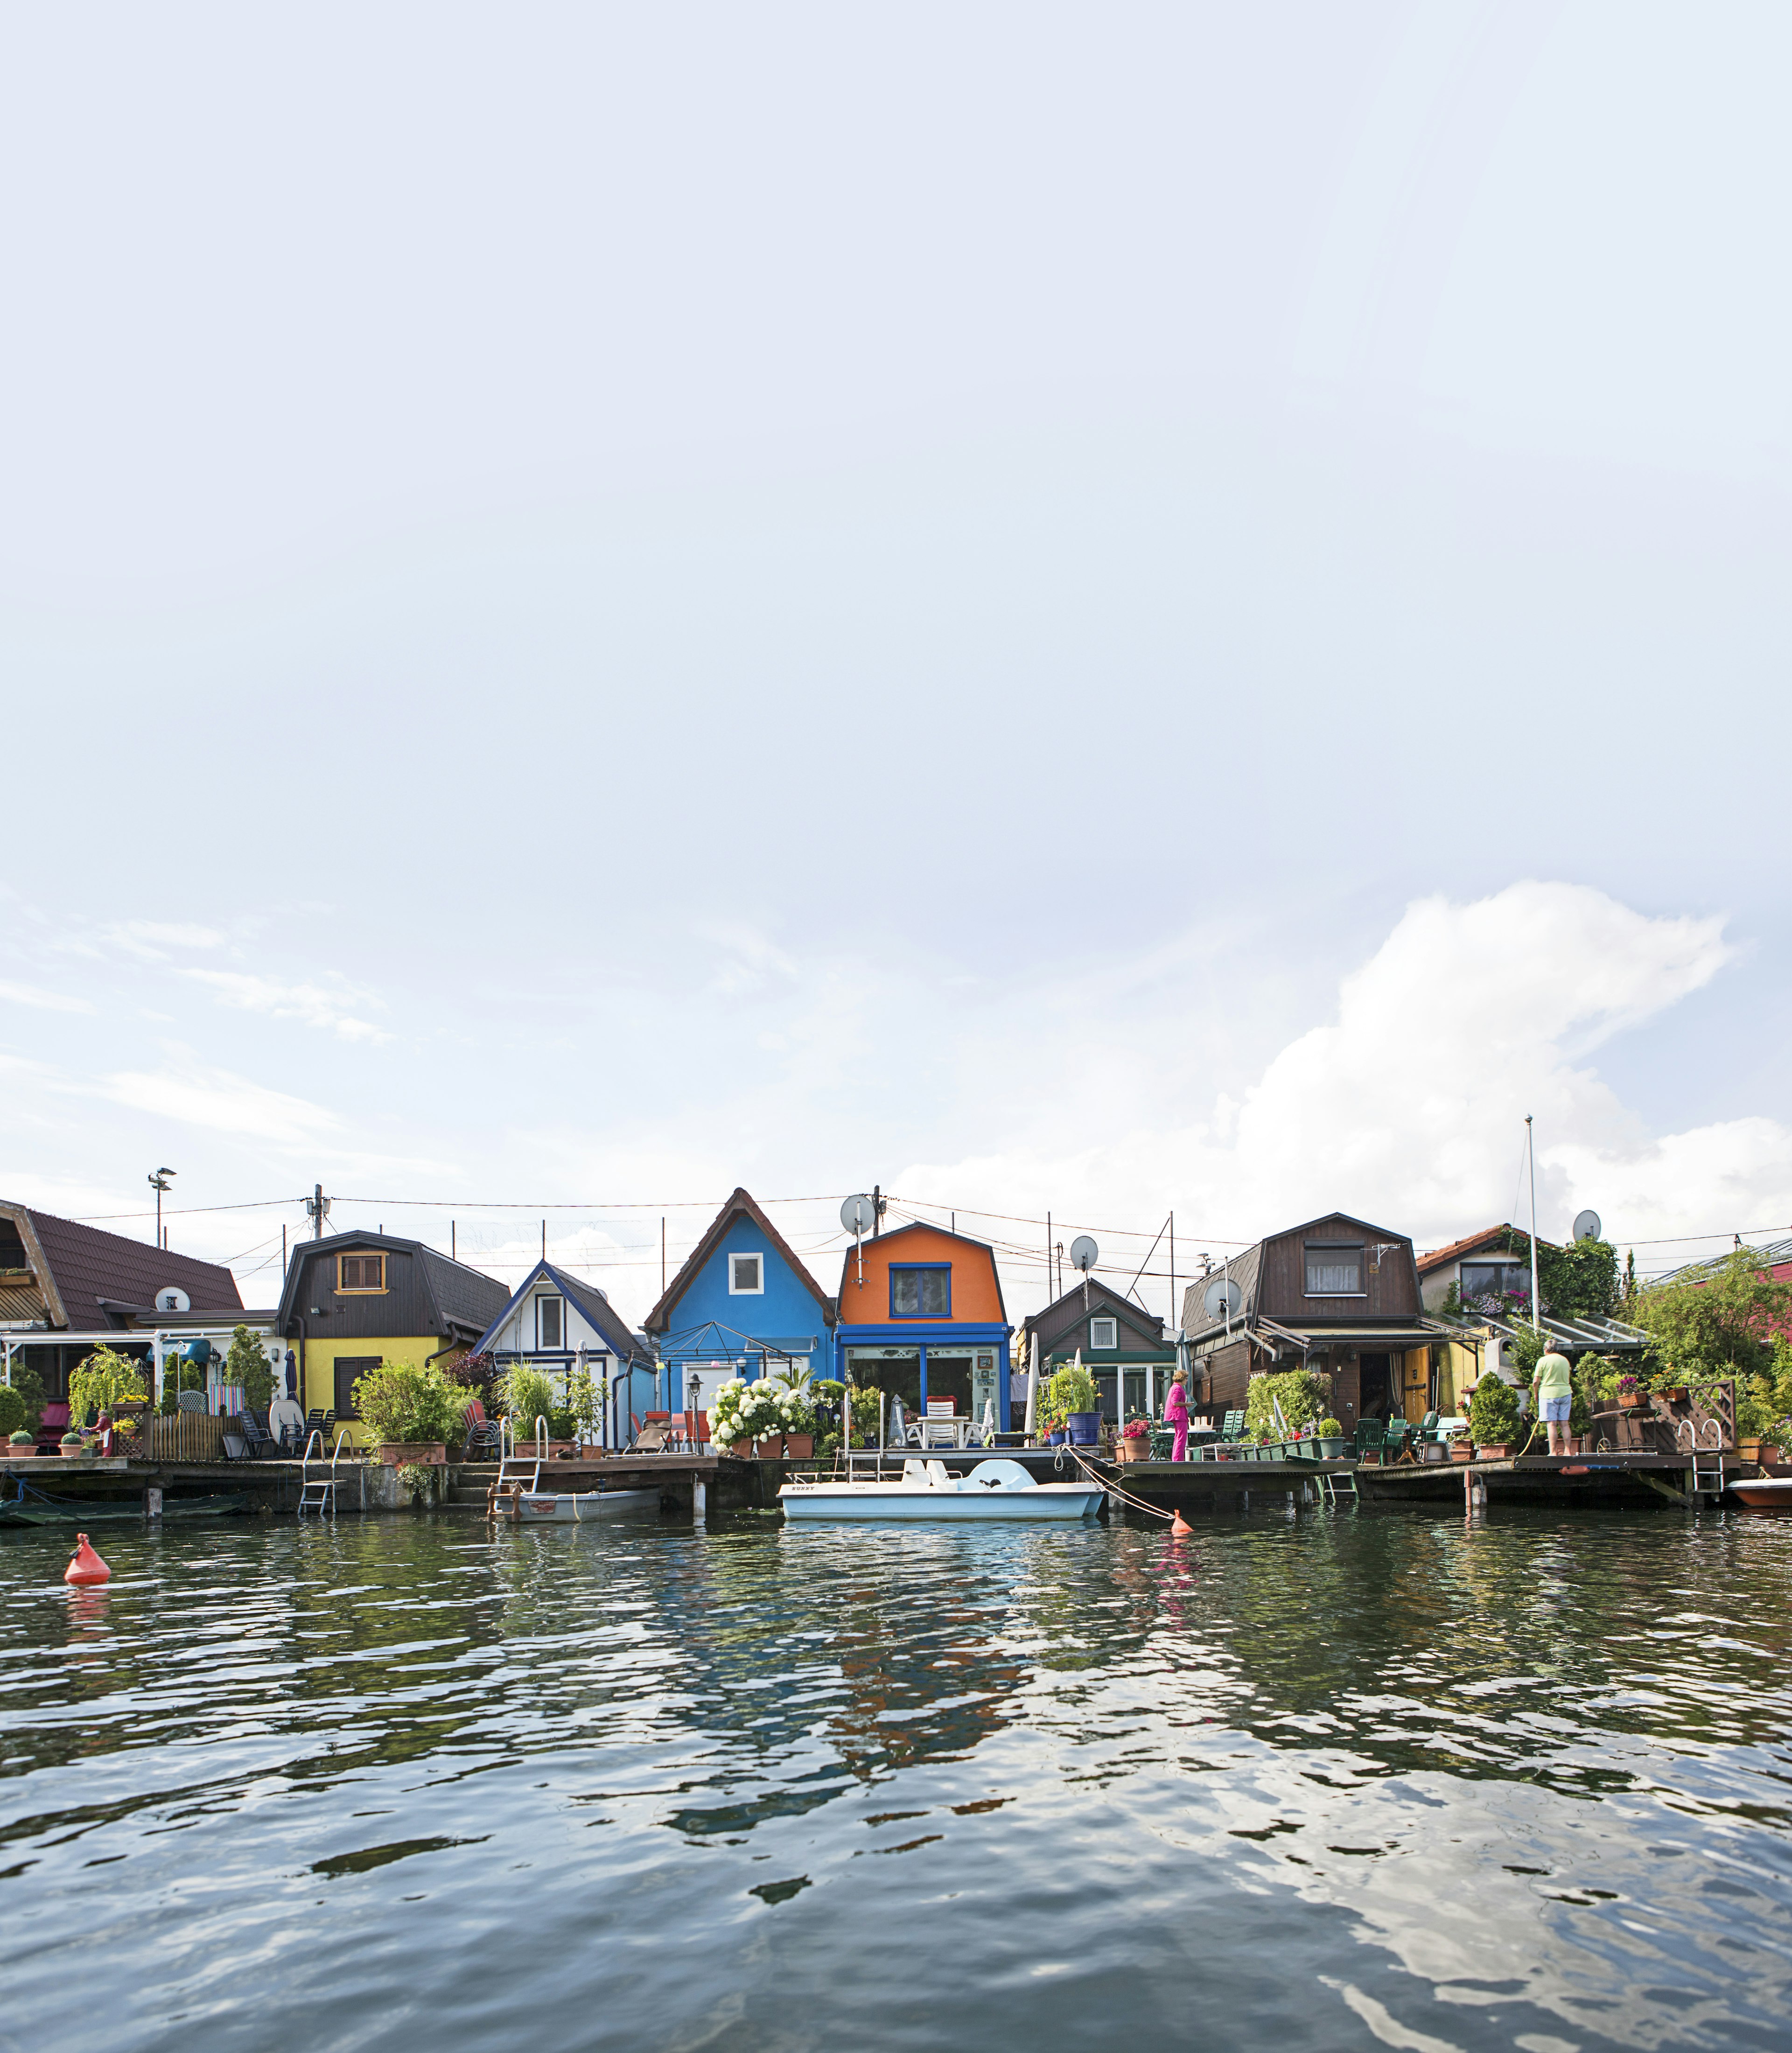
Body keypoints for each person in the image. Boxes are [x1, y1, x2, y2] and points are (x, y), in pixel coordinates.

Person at [1531, 1338, 1574, 1456]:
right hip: (1566, 1393)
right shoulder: (1565, 1360)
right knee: (1564, 1424)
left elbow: (1536, 1382)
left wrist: (1536, 1394)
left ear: (1546, 1349)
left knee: (1551, 1424)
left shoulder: (1543, 1360)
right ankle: (1568, 1451)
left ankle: (1553, 1452)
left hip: (1549, 1394)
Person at [1164, 1367, 1190, 1463]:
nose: (1187, 1380)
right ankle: (1178, 1459)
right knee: (1181, 1437)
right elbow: (1175, 1402)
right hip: (1179, 1416)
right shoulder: (1177, 1388)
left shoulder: (1174, 1387)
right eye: (1186, 1379)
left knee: (1178, 1437)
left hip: (1176, 1416)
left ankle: (1176, 1459)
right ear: (1182, 1378)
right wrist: (1187, 1404)